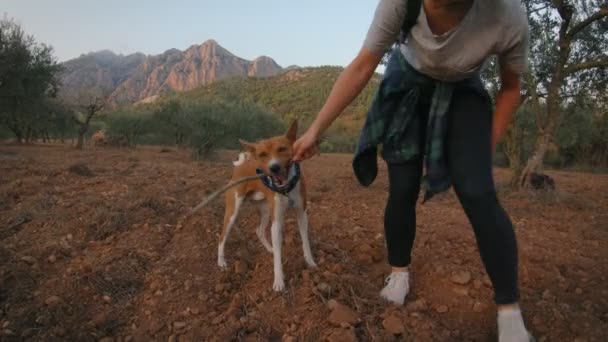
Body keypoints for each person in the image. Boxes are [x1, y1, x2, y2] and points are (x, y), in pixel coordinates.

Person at [292, 0, 533, 341]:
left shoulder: (508, 16)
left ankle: (509, 311)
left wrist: (484, 149)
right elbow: (363, 66)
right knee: (402, 187)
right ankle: (399, 271)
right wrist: (316, 129)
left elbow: (511, 88)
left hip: (463, 92)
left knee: (478, 191)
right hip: (406, 83)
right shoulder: (400, 3)